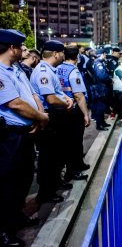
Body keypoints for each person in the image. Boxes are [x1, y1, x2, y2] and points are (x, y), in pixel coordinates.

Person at [0, 29, 49, 247]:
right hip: (10, 137)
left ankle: (16, 216)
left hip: (28, 132)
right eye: (20, 47)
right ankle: (3, 231)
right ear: (12, 48)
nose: (23, 50)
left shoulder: (17, 69)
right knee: (7, 183)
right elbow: (15, 104)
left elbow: (32, 95)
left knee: (24, 178)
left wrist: (39, 117)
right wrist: (41, 117)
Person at [30, 40, 74, 204]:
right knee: (49, 157)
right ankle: (46, 193)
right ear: (56, 54)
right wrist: (66, 104)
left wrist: (66, 99)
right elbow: (51, 98)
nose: (63, 55)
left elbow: (57, 93)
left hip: (55, 117)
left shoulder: (49, 70)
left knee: (56, 155)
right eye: (62, 52)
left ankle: (54, 183)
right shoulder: (43, 72)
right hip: (50, 118)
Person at [56, 45, 90, 182]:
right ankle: (73, 171)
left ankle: (78, 164)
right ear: (77, 57)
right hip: (73, 111)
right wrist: (86, 114)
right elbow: (78, 95)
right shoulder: (73, 71)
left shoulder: (57, 68)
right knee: (74, 142)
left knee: (69, 142)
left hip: (62, 109)